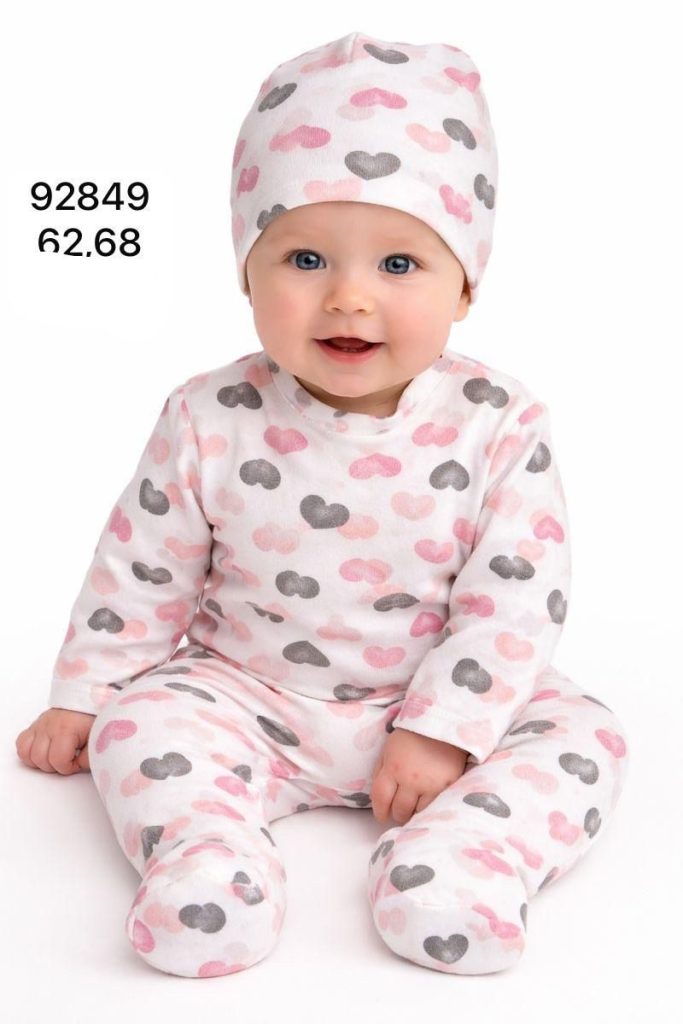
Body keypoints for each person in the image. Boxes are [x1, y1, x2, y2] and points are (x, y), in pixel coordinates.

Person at [15, 30, 629, 979]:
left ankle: (464, 860)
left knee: (584, 734)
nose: (347, 298)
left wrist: (442, 729)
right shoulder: (210, 414)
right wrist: (88, 695)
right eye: (303, 259)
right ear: (246, 272)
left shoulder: (498, 421)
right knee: (144, 725)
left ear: (465, 284)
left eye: (398, 265)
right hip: (245, 691)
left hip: (433, 699)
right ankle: (208, 864)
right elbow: (141, 566)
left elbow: (515, 600)